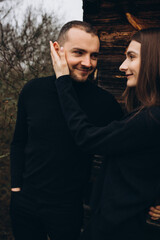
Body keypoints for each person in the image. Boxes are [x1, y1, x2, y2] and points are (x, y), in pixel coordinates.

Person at [9, 21, 123, 240]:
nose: (88, 63)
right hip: (25, 202)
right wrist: (16, 189)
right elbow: (19, 142)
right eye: (79, 53)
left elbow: (127, 154)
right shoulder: (33, 90)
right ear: (56, 49)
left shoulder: (105, 103)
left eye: (94, 55)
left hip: (67, 208)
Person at [50, 27, 160, 239]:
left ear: (154, 61)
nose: (122, 66)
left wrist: (63, 80)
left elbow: (87, 137)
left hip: (119, 230)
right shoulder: (146, 115)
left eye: (131, 57)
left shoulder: (151, 118)